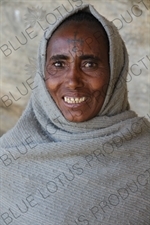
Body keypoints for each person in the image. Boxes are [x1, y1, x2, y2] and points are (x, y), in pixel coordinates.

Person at [0, 3, 150, 225]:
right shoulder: (9, 156)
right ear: (42, 74)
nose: (72, 81)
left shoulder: (144, 157)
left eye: (89, 64)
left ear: (115, 72)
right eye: (59, 64)